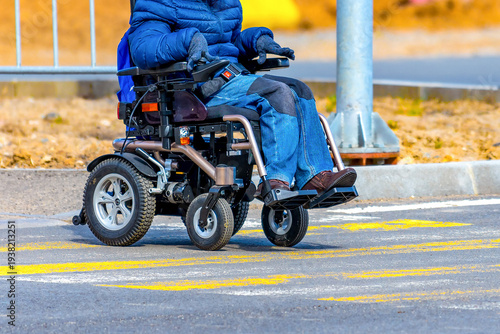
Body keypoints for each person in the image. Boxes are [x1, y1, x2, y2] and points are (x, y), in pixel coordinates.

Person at [126, 0, 356, 196]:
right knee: (278, 94)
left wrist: (257, 41)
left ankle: (315, 175)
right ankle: (276, 181)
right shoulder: (161, 3)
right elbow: (143, 48)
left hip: (230, 77)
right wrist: (188, 41)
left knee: (301, 91)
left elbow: (230, 44)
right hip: (192, 88)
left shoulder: (227, 3)